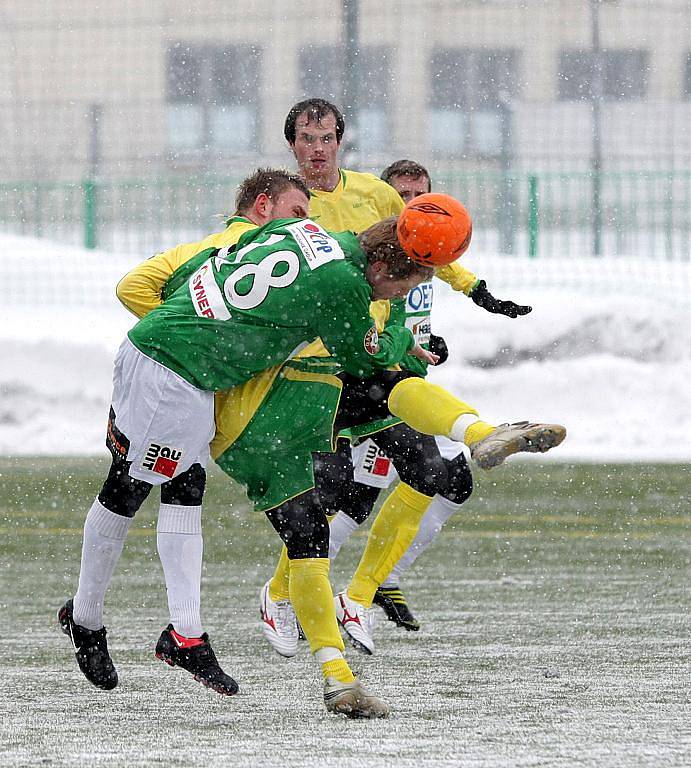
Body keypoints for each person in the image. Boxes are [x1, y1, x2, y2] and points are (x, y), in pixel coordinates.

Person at [58, 168, 441, 719]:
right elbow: (364, 358)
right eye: (295, 210)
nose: (305, 220)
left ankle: (182, 633)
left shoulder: (282, 238)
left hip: (188, 376)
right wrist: (197, 329)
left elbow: (197, 273)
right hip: (170, 373)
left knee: (179, 487)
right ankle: (92, 617)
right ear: (263, 206)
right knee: (131, 487)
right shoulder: (322, 272)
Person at [260, 101, 537, 654]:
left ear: (341, 140)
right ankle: (277, 594)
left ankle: (358, 599)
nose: (318, 149)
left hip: (373, 357)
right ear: (291, 144)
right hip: (309, 371)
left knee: (432, 471)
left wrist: (473, 287)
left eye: (327, 138)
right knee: (332, 496)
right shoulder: (285, 206)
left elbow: (422, 242)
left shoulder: (374, 196)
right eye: (307, 139)